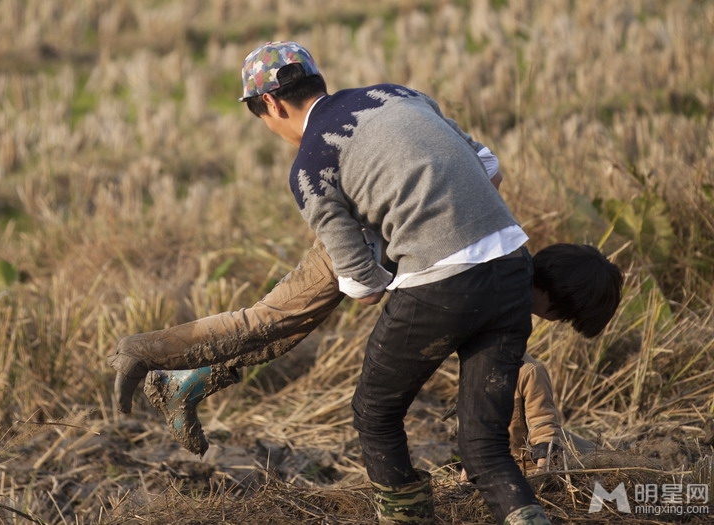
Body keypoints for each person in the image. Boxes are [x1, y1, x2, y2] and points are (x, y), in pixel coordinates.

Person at [107, 41, 621, 525]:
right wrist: (414, 207)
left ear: (269, 104)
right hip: (508, 263)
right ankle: (179, 378)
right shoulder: (398, 94)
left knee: (337, 378)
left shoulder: (311, 165)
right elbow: (489, 167)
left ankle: (153, 359)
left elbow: (362, 285)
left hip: (424, 267)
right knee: (484, 446)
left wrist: (395, 234)